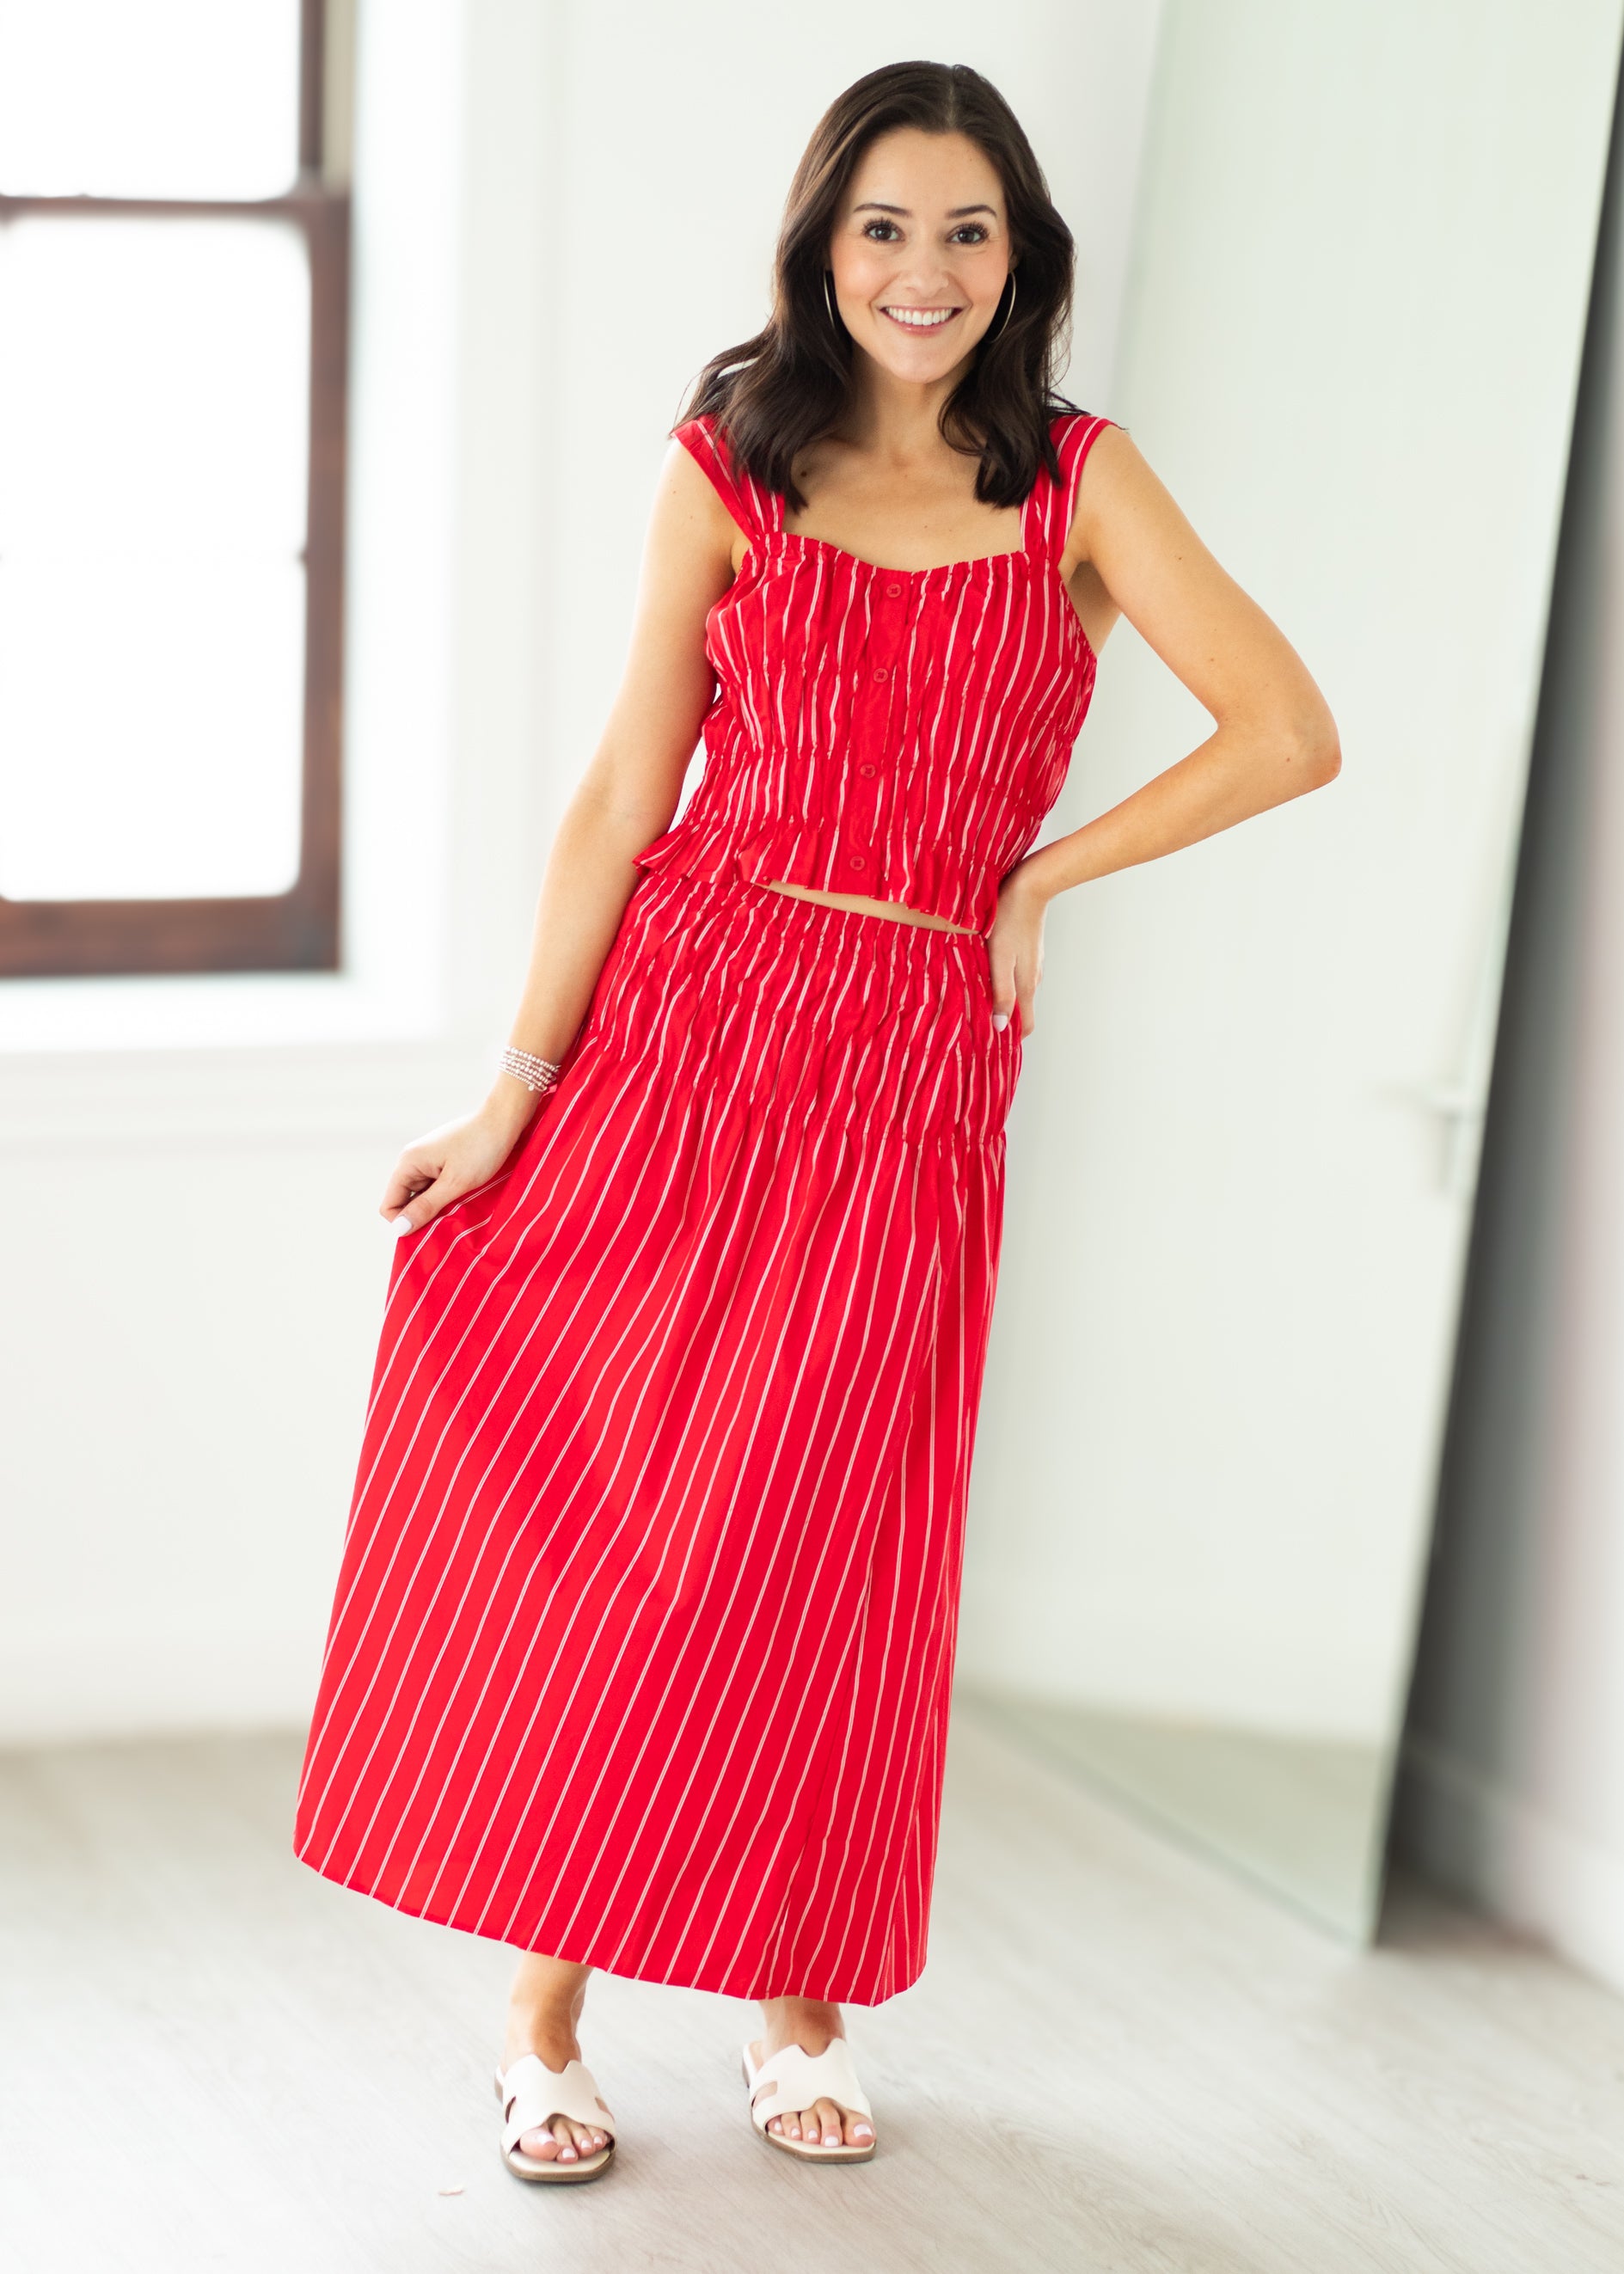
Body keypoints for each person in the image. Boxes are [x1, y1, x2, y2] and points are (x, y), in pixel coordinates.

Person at [292, 58, 1339, 2184]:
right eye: (883, 228)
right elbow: (620, 796)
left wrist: (1036, 879)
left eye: (966, 230)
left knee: (830, 1537)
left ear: (1020, 255)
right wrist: (512, 1094)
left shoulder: (1078, 486)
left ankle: (797, 1999)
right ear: (821, 245)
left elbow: (1288, 730)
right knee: (609, 1519)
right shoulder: (730, 464)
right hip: (682, 1025)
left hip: (904, 1058)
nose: (923, 270)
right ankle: (543, 2015)